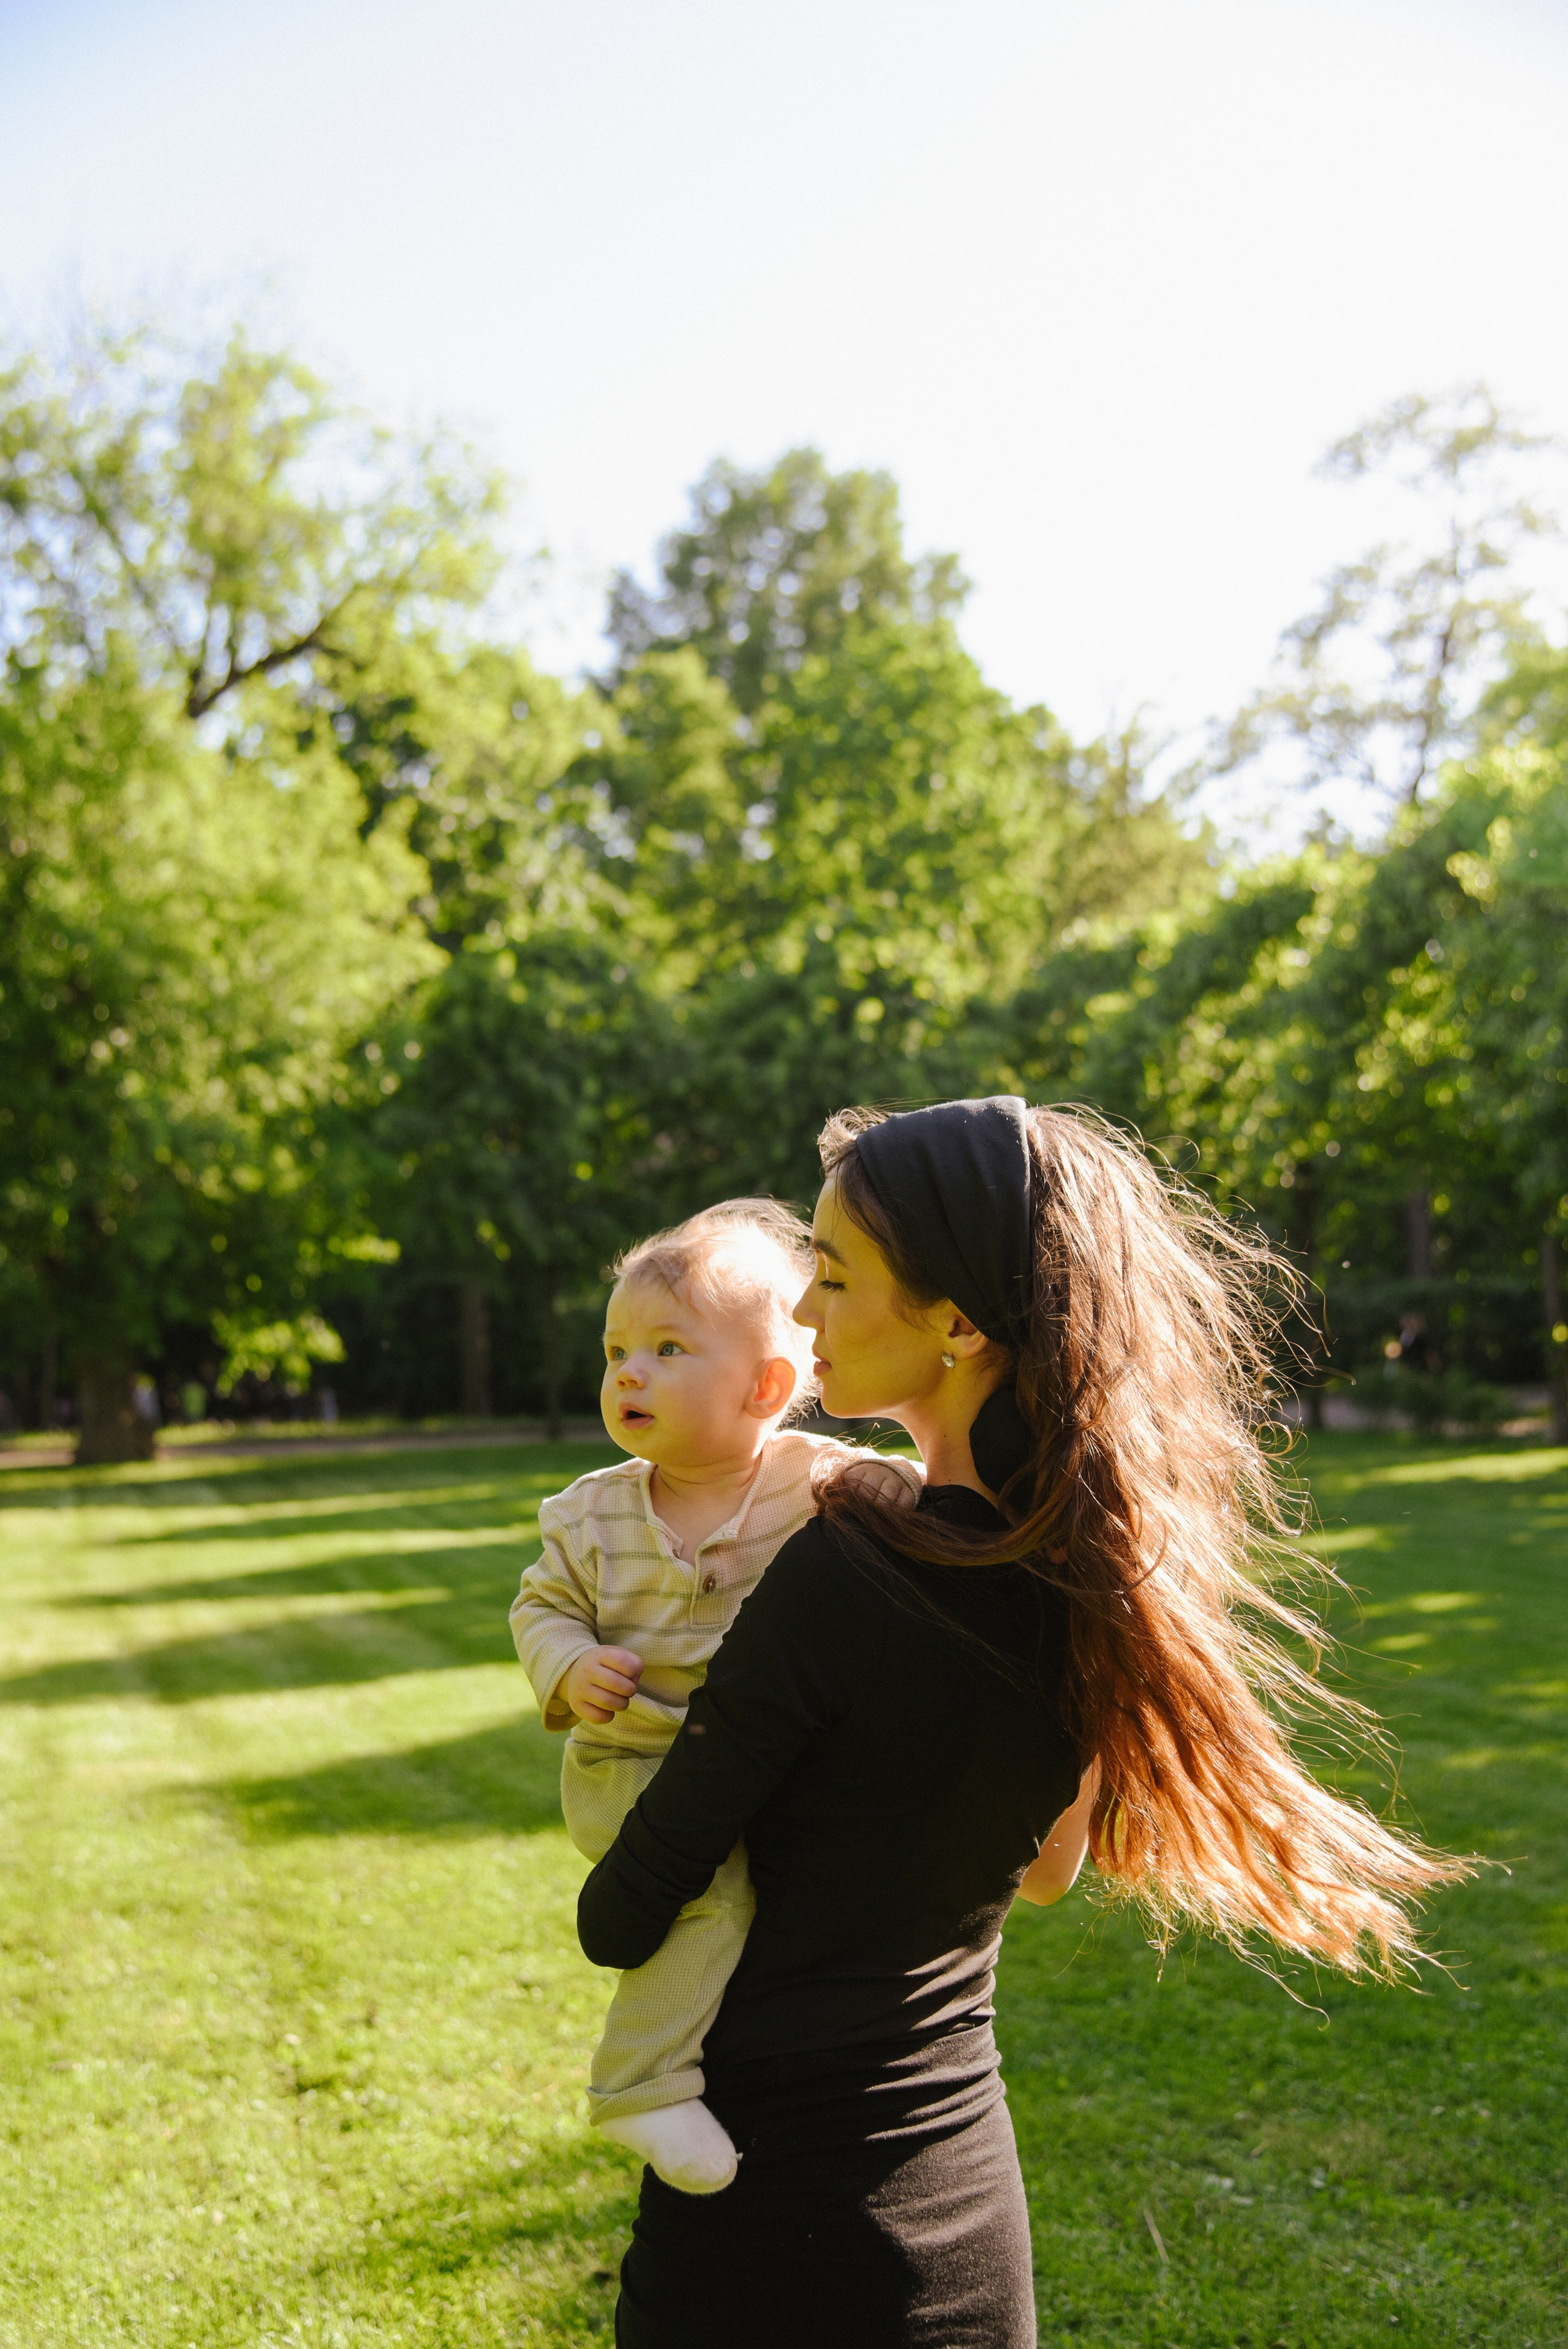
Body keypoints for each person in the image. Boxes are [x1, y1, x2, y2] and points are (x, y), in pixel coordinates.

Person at [578, 1098, 1464, 2349]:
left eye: (834, 1276)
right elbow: (1048, 1870)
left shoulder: (844, 1574)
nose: (804, 1313)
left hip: (772, 2222)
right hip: (960, 2212)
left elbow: (620, 1914)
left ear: (956, 1322)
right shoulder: (1090, 1573)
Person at [510, 1199, 921, 2193]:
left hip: (759, 1767)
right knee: (708, 1893)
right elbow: (540, 1608)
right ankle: (640, 2083)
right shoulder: (591, 1513)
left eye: (666, 1349)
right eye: (616, 1351)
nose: (628, 1373)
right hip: (629, 1765)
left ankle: (752, 2063)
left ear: (766, 1386)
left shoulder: (816, 1482)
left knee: (790, 1893)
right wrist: (568, 1665)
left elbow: (917, 1493)